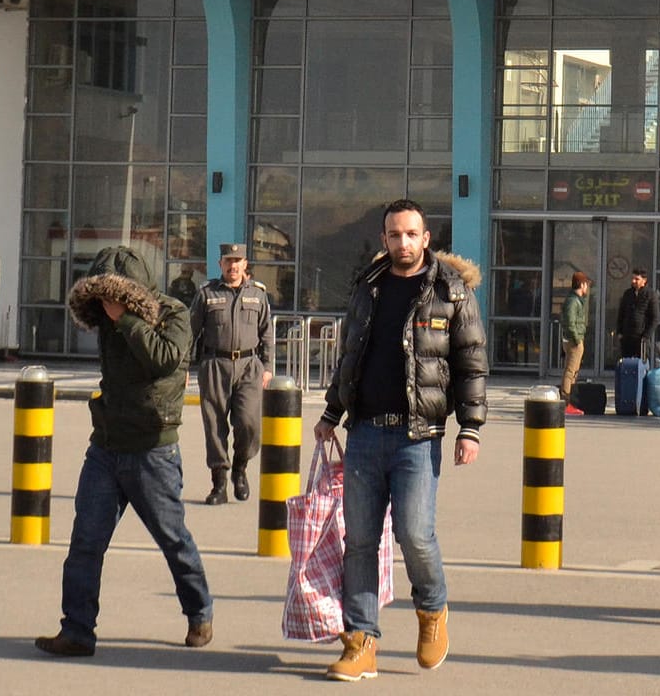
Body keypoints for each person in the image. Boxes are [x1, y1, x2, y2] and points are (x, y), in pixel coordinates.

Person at [313, 199, 487, 681]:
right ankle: (361, 641)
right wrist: (332, 411)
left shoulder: (451, 293)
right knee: (361, 542)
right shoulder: (367, 287)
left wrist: (470, 427)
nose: (403, 242)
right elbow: (351, 353)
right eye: (394, 234)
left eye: (412, 234)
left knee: (414, 534)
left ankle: (433, 611)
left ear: (426, 239)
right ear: (384, 239)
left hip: (418, 437)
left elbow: (471, 362)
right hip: (366, 431)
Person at [35, 245, 214, 657]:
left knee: (173, 539)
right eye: (99, 296)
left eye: (112, 294)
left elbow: (164, 361)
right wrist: (111, 316)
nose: (106, 304)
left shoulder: (173, 314)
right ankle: (77, 630)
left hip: (153, 450)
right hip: (106, 447)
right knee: (85, 542)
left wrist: (127, 318)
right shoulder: (106, 320)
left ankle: (199, 611)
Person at [190, 243, 274, 505]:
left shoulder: (258, 295)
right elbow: (190, 333)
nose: (233, 266)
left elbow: (266, 334)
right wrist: (183, 368)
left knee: (249, 423)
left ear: (245, 264)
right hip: (215, 364)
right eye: (228, 261)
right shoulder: (206, 294)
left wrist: (268, 367)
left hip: (249, 366)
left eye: (238, 261)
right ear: (220, 265)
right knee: (215, 426)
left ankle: (240, 467)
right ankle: (219, 483)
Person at [559, 271, 590, 415]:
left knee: (573, 372)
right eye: (586, 285)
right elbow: (569, 322)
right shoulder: (573, 301)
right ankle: (565, 403)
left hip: (574, 339)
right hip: (573, 341)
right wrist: (577, 339)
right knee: (570, 372)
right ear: (582, 284)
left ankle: (569, 402)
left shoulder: (577, 300)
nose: (587, 288)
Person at [616, 267, 659, 361]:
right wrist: (619, 332)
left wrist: (646, 335)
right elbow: (621, 314)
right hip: (627, 337)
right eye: (633, 278)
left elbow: (655, 318)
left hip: (641, 338)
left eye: (637, 279)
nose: (634, 281)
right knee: (627, 364)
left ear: (644, 280)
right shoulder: (628, 294)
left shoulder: (650, 294)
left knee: (641, 365)